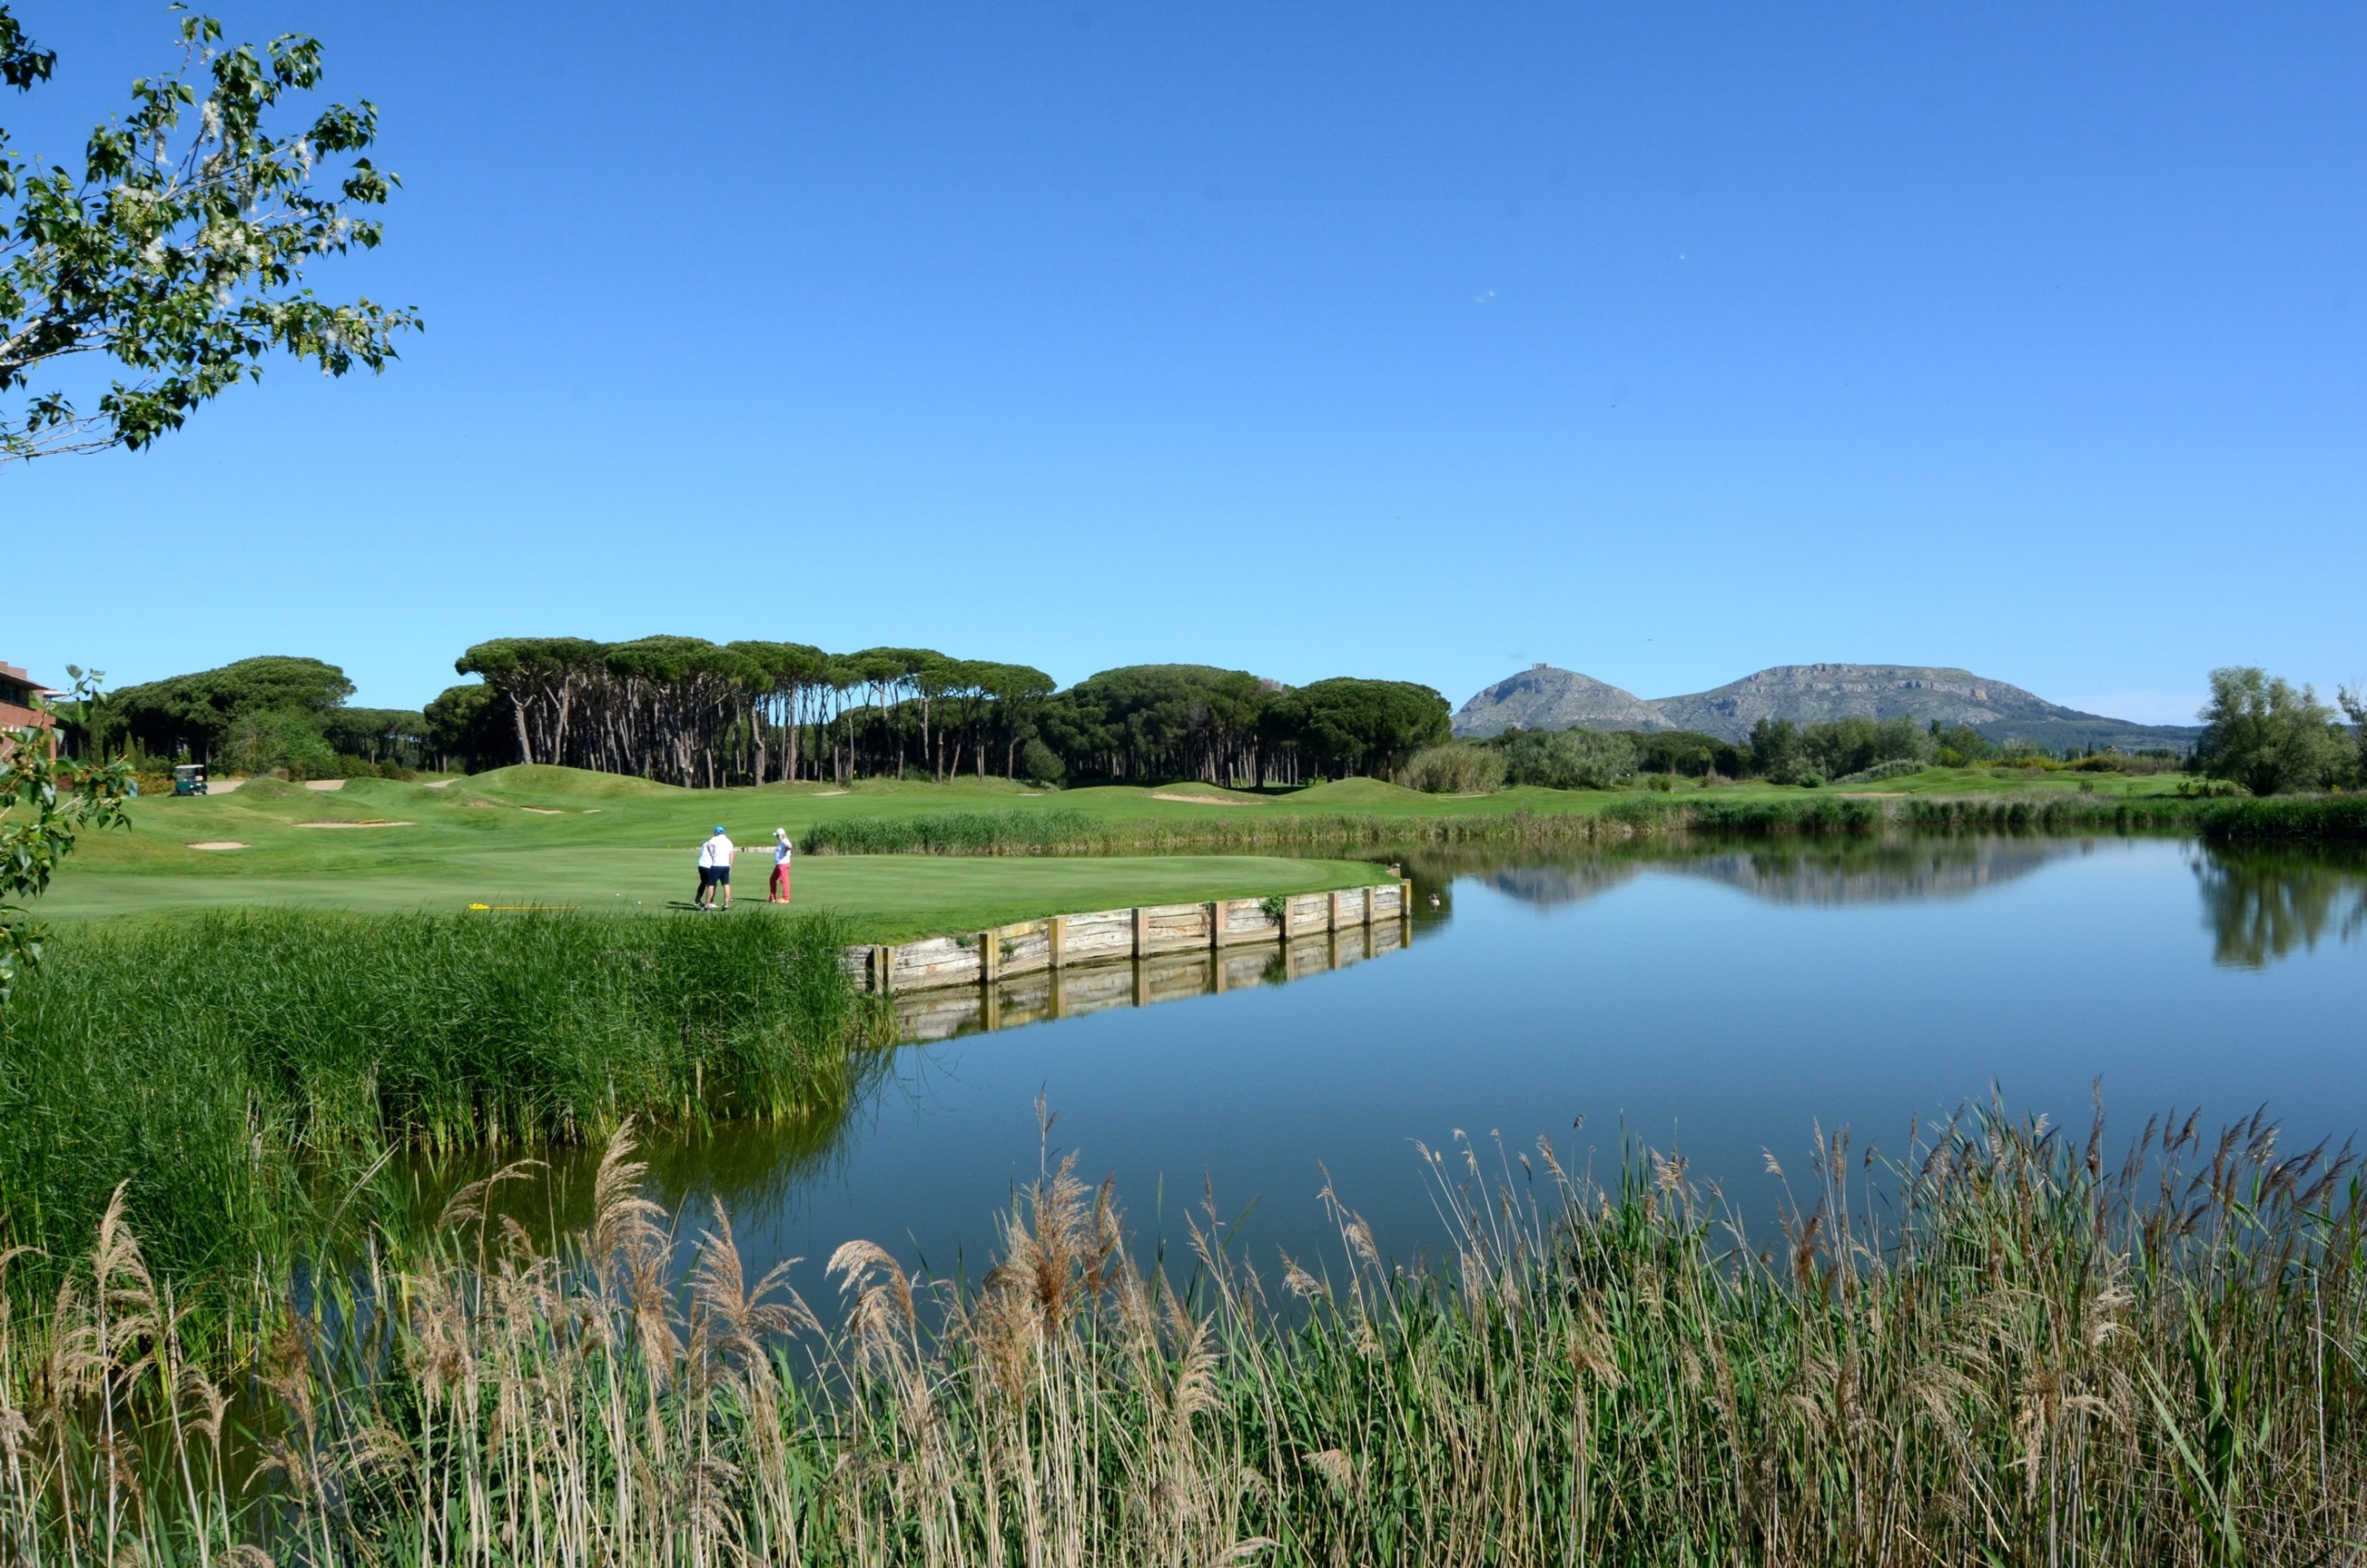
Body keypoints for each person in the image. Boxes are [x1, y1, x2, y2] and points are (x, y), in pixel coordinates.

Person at [695, 825, 735, 910]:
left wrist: (712, 854)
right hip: (726, 866)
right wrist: (730, 866)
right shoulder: (728, 841)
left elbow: (708, 845)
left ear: (716, 833)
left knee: (711, 885)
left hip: (716, 865)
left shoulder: (715, 839)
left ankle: (707, 905)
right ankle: (726, 905)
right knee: (726, 885)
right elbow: (732, 854)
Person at [767, 827, 793, 903]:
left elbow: (789, 846)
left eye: (777, 835)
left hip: (783, 864)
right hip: (779, 864)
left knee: (784, 880)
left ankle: (785, 898)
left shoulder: (785, 841)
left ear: (781, 835)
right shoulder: (781, 841)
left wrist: (787, 849)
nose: (776, 837)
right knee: (772, 879)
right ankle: (772, 897)